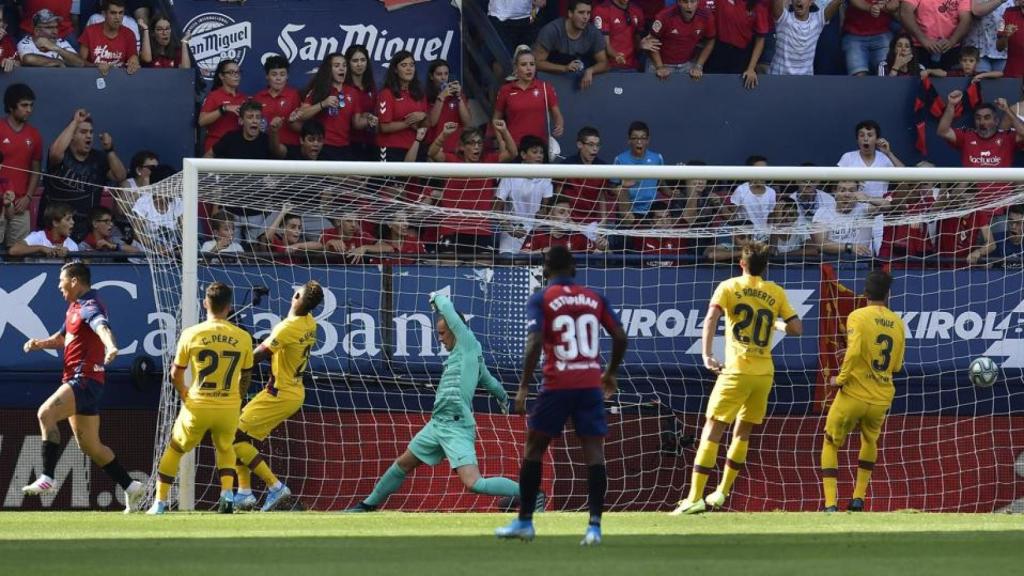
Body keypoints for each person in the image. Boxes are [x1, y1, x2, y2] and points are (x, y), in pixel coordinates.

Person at [496, 246, 627, 545]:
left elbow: (534, 342)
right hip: (590, 384)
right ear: (574, 268)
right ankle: (594, 527)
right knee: (594, 452)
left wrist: (524, 386)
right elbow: (620, 336)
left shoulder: (542, 298)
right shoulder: (594, 297)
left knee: (534, 448)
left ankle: (525, 522)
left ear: (545, 269)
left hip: (557, 385)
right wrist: (611, 372)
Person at [347, 292, 521, 512]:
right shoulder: (467, 355)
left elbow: (447, 307)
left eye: (442, 333)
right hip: (437, 424)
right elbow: (488, 380)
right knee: (403, 463)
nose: (439, 338)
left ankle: (530, 494)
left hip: (456, 426)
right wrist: (503, 397)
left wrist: (436, 298)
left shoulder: (467, 342)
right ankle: (366, 506)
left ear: (454, 329)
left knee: (475, 483)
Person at [671, 241, 802, 515]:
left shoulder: (729, 286)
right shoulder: (775, 292)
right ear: (765, 267)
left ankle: (694, 497)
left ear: (741, 263)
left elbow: (710, 319)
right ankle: (721, 492)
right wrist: (777, 323)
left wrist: (707, 355)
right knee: (743, 432)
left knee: (713, 429)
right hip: (764, 373)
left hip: (737, 371)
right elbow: (796, 329)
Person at [20, 262, 145, 511]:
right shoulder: (74, 307)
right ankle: (131, 486)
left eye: (61, 280)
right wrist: (39, 344)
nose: (59, 286)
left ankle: (47, 477)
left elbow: (102, 327)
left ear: (75, 281)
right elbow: (62, 338)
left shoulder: (91, 305)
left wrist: (111, 347)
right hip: (82, 381)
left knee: (45, 413)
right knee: (90, 446)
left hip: (84, 379)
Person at [148, 282, 254, 514]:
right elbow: (246, 375)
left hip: (198, 404)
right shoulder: (243, 337)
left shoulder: (191, 333)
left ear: (205, 303)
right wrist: (236, 398)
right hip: (228, 406)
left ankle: (159, 502)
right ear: (229, 307)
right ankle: (226, 496)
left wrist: (184, 393)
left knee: (176, 448)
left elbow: (175, 374)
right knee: (226, 448)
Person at [230, 281, 323, 512]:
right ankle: (244, 494)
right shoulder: (310, 323)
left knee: (233, 437)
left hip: (280, 393)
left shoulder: (287, 327)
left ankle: (275, 487)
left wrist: (232, 366)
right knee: (239, 437)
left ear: (298, 295)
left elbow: (256, 357)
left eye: (297, 291)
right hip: (291, 390)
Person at [821, 270, 905, 512]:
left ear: (865, 294)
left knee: (830, 442)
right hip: (881, 397)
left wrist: (840, 379)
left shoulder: (857, 316)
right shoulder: (897, 322)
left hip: (853, 394)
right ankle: (859, 498)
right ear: (887, 295)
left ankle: (830, 504)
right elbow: (897, 365)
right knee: (869, 439)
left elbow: (854, 351)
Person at [41, 108, 127, 239]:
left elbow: (120, 176)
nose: (89, 136)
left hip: (87, 227)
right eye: (83, 132)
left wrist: (109, 150)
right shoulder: (62, 155)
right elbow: (55, 153)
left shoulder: (99, 158)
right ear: (72, 136)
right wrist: (75, 122)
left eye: (91, 132)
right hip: (57, 225)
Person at [295, 53, 376, 161]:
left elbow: (357, 123)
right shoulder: (318, 90)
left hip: (344, 146)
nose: (341, 68)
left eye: (344, 65)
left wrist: (369, 119)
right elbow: (301, 115)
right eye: (337, 66)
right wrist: (323, 104)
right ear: (329, 70)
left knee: (356, 177)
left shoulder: (352, 92)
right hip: (323, 146)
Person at [493, 45, 565, 149]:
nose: (528, 68)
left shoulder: (545, 87)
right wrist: (501, 142)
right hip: (514, 146)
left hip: (539, 147)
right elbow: (496, 119)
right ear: (516, 68)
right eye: (523, 65)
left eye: (532, 64)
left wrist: (559, 125)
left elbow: (557, 114)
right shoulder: (506, 90)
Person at [0, 84, 43, 248]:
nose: (29, 110)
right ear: (11, 106)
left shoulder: (34, 135)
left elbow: (35, 170)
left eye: (31, 105)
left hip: (20, 205)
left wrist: (28, 197)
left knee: (17, 254)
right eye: (24, 105)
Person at [495, 135, 554, 253]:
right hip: (510, 231)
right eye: (535, 152)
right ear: (523, 155)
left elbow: (546, 209)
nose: (539, 156)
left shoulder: (546, 177)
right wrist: (510, 230)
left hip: (534, 233)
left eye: (541, 153)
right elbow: (497, 209)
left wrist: (542, 214)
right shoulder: (510, 175)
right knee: (507, 264)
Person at [533, 0, 609, 89]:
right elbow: (536, 63)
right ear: (570, 13)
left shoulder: (593, 33)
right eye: (581, 12)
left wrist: (591, 71)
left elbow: (604, 63)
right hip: (553, 80)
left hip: (582, 83)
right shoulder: (552, 30)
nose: (585, 17)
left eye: (588, 13)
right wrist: (564, 68)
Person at [704, 0, 771, 88]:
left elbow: (760, 40)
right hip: (718, 52)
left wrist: (751, 68)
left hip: (741, 57)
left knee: (734, 91)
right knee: (711, 88)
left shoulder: (758, 7)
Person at [812, 181, 889, 257]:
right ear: (835, 192)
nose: (847, 194)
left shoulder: (864, 209)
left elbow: (887, 206)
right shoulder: (823, 212)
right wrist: (850, 247)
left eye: (852, 191)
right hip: (832, 262)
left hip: (861, 262)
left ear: (858, 193)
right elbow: (821, 244)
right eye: (842, 190)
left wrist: (868, 198)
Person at [377, 50, 429, 162]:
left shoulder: (419, 93)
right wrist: (408, 123)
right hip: (391, 148)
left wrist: (423, 116)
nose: (409, 68)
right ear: (395, 70)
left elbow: (426, 125)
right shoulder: (386, 94)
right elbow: (384, 127)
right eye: (404, 65)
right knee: (393, 180)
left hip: (415, 147)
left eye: (412, 65)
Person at [647, 0, 717, 79]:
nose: (689, 6)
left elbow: (710, 41)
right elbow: (651, 40)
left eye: (692, 2)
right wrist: (659, 66)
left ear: (698, 2)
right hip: (661, 64)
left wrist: (699, 66)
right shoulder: (664, 16)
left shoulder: (706, 16)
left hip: (688, 64)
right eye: (685, 2)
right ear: (679, 2)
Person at [769, 0, 843, 76]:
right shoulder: (783, 19)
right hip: (778, 78)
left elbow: (838, 2)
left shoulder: (817, 20)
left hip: (805, 81)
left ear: (811, 2)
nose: (799, 0)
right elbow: (776, 5)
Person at [557, 126, 611, 225]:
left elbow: (602, 195)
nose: (595, 149)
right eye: (591, 145)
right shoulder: (567, 165)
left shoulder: (603, 167)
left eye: (598, 145)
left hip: (592, 221)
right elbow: (558, 195)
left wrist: (603, 219)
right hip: (568, 221)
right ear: (579, 144)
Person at [612, 121, 664, 222]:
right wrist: (623, 185)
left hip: (651, 212)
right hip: (628, 211)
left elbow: (661, 183)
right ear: (629, 140)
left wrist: (672, 193)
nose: (639, 141)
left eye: (642, 138)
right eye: (635, 138)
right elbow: (611, 187)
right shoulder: (620, 159)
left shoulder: (657, 158)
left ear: (648, 140)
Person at [900, 0, 973, 70]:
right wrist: (924, 40)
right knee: (915, 81)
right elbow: (905, 12)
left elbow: (966, 20)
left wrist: (952, 41)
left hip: (951, 49)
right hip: (919, 47)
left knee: (951, 82)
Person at [205, 100, 287, 160]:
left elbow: (281, 154)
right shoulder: (230, 138)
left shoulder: (266, 139)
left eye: (258, 117)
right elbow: (208, 156)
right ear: (241, 121)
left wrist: (274, 132)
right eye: (250, 117)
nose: (254, 121)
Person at [251, 55, 301, 149]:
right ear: (267, 76)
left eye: (282, 74)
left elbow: (301, 127)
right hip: (264, 147)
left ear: (287, 76)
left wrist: (291, 121)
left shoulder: (294, 95)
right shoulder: (258, 97)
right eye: (274, 74)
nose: (278, 78)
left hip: (289, 147)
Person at [78, 0, 140, 74]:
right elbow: (80, 62)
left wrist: (134, 63)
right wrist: (95, 66)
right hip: (92, 77)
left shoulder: (129, 34)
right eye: (113, 13)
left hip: (120, 78)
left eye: (121, 13)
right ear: (104, 14)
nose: (117, 17)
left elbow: (133, 58)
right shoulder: (90, 31)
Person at [198, 59, 247, 153]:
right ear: (221, 76)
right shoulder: (214, 96)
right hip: (216, 145)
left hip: (238, 147)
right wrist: (223, 109)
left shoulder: (244, 98)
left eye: (238, 72)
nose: (236, 75)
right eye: (231, 72)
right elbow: (201, 121)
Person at [425, 59, 472, 154]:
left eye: (446, 74)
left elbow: (467, 122)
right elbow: (432, 122)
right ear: (431, 76)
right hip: (435, 149)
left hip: (456, 149)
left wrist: (459, 97)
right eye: (439, 74)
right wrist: (441, 97)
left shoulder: (458, 95)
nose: (443, 78)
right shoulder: (426, 96)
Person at [842, 0, 899, 76]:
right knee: (858, 77)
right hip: (855, 35)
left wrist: (886, 6)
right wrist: (870, 8)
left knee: (886, 74)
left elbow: (895, 3)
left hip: (882, 33)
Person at [343, 44, 378, 161]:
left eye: (363, 60)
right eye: (355, 61)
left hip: (370, 142)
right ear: (348, 63)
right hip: (348, 143)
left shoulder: (371, 87)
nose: (359, 64)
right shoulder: (343, 87)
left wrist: (369, 117)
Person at [17, 8, 85, 67]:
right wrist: (58, 62)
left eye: (56, 27)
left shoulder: (60, 42)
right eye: (50, 27)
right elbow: (28, 59)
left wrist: (55, 48)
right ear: (37, 31)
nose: (55, 31)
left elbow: (80, 63)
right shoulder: (26, 42)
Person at [729, 155, 776, 240]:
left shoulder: (771, 192)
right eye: (759, 170)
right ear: (749, 172)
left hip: (764, 237)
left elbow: (771, 218)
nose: (763, 174)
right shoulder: (741, 190)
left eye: (765, 170)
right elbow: (731, 214)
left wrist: (769, 235)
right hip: (745, 236)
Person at [9, 201, 78, 258]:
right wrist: (41, 248)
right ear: (55, 223)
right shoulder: (38, 236)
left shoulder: (72, 245)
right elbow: (13, 250)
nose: (73, 222)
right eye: (68, 219)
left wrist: (69, 256)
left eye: (72, 219)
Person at [593, 0, 645, 71]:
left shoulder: (637, 10)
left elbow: (637, 41)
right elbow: (603, 44)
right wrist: (616, 55)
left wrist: (642, 45)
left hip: (633, 67)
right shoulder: (602, 10)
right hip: (610, 68)